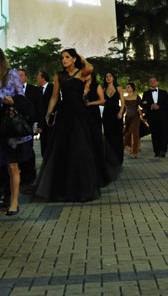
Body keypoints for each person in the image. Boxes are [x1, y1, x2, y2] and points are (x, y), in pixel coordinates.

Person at [35, 49, 119, 201]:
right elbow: (54, 97)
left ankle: (84, 186)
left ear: (73, 59)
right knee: (63, 149)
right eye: (62, 58)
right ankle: (64, 187)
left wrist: (80, 57)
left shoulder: (82, 73)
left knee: (82, 149)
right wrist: (48, 113)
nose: (64, 60)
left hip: (80, 114)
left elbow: (91, 68)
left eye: (67, 57)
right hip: (65, 114)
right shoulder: (59, 75)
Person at [0, 47, 31, 216]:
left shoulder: (11, 74)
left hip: (8, 125)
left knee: (12, 165)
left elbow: (21, 97)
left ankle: (14, 202)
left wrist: (12, 101)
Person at [141, 77, 168, 158]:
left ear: (157, 82)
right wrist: (151, 105)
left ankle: (163, 150)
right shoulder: (146, 93)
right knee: (154, 135)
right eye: (150, 81)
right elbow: (143, 104)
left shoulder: (164, 92)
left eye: (154, 81)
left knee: (164, 134)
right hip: (152, 117)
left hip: (163, 116)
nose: (152, 82)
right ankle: (156, 151)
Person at [101, 72, 125, 164]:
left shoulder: (118, 88)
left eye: (110, 76)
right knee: (108, 136)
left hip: (116, 113)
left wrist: (120, 112)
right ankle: (110, 159)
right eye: (106, 76)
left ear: (113, 78)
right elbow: (102, 102)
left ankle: (119, 159)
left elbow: (123, 102)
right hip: (107, 113)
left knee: (118, 136)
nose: (108, 78)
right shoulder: (103, 89)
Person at [122, 82, 142, 158]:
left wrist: (143, 116)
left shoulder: (137, 97)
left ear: (132, 88)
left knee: (135, 134)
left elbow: (141, 106)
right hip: (128, 117)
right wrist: (121, 115)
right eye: (126, 87)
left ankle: (135, 152)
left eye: (128, 87)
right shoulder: (124, 98)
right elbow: (123, 109)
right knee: (127, 133)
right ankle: (129, 147)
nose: (127, 88)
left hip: (136, 117)